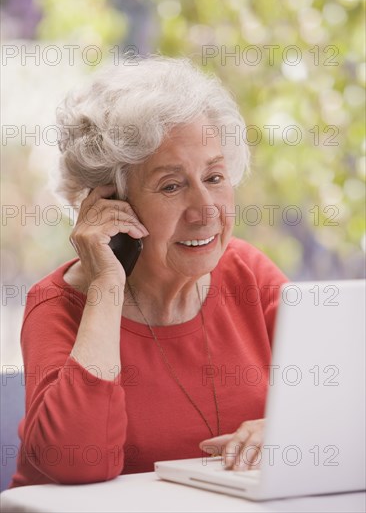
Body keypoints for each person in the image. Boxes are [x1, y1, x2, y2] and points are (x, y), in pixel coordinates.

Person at [10, 56, 287, 487]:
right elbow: (76, 464)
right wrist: (106, 287)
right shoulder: (58, 305)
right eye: (172, 186)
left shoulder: (249, 275)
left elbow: (345, 403)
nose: (206, 211)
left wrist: (290, 430)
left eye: (214, 176)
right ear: (110, 204)